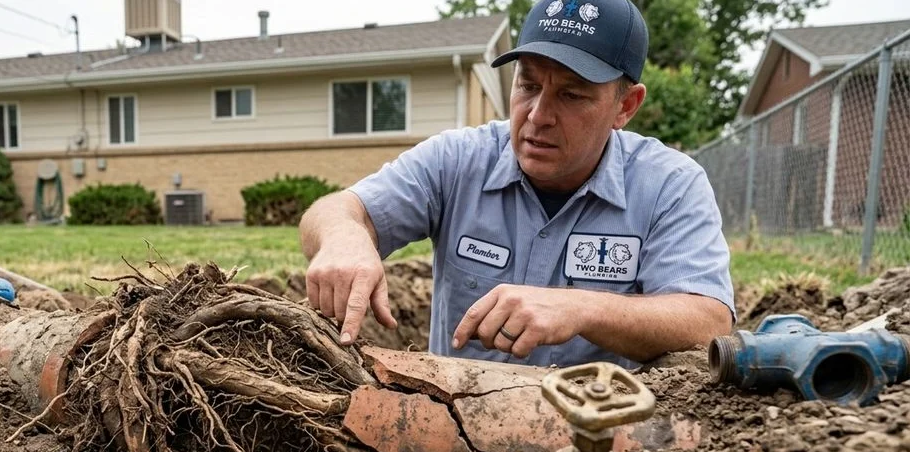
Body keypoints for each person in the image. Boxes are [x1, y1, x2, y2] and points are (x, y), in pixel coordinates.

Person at [298, 0, 735, 368]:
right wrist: (344, 238)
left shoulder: (668, 184)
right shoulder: (458, 160)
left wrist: (581, 308)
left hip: (598, 445)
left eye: (572, 94)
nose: (539, 115)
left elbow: (708, 320)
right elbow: (333, 210)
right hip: (453, 431)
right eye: (527, 85)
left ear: (626, 106)